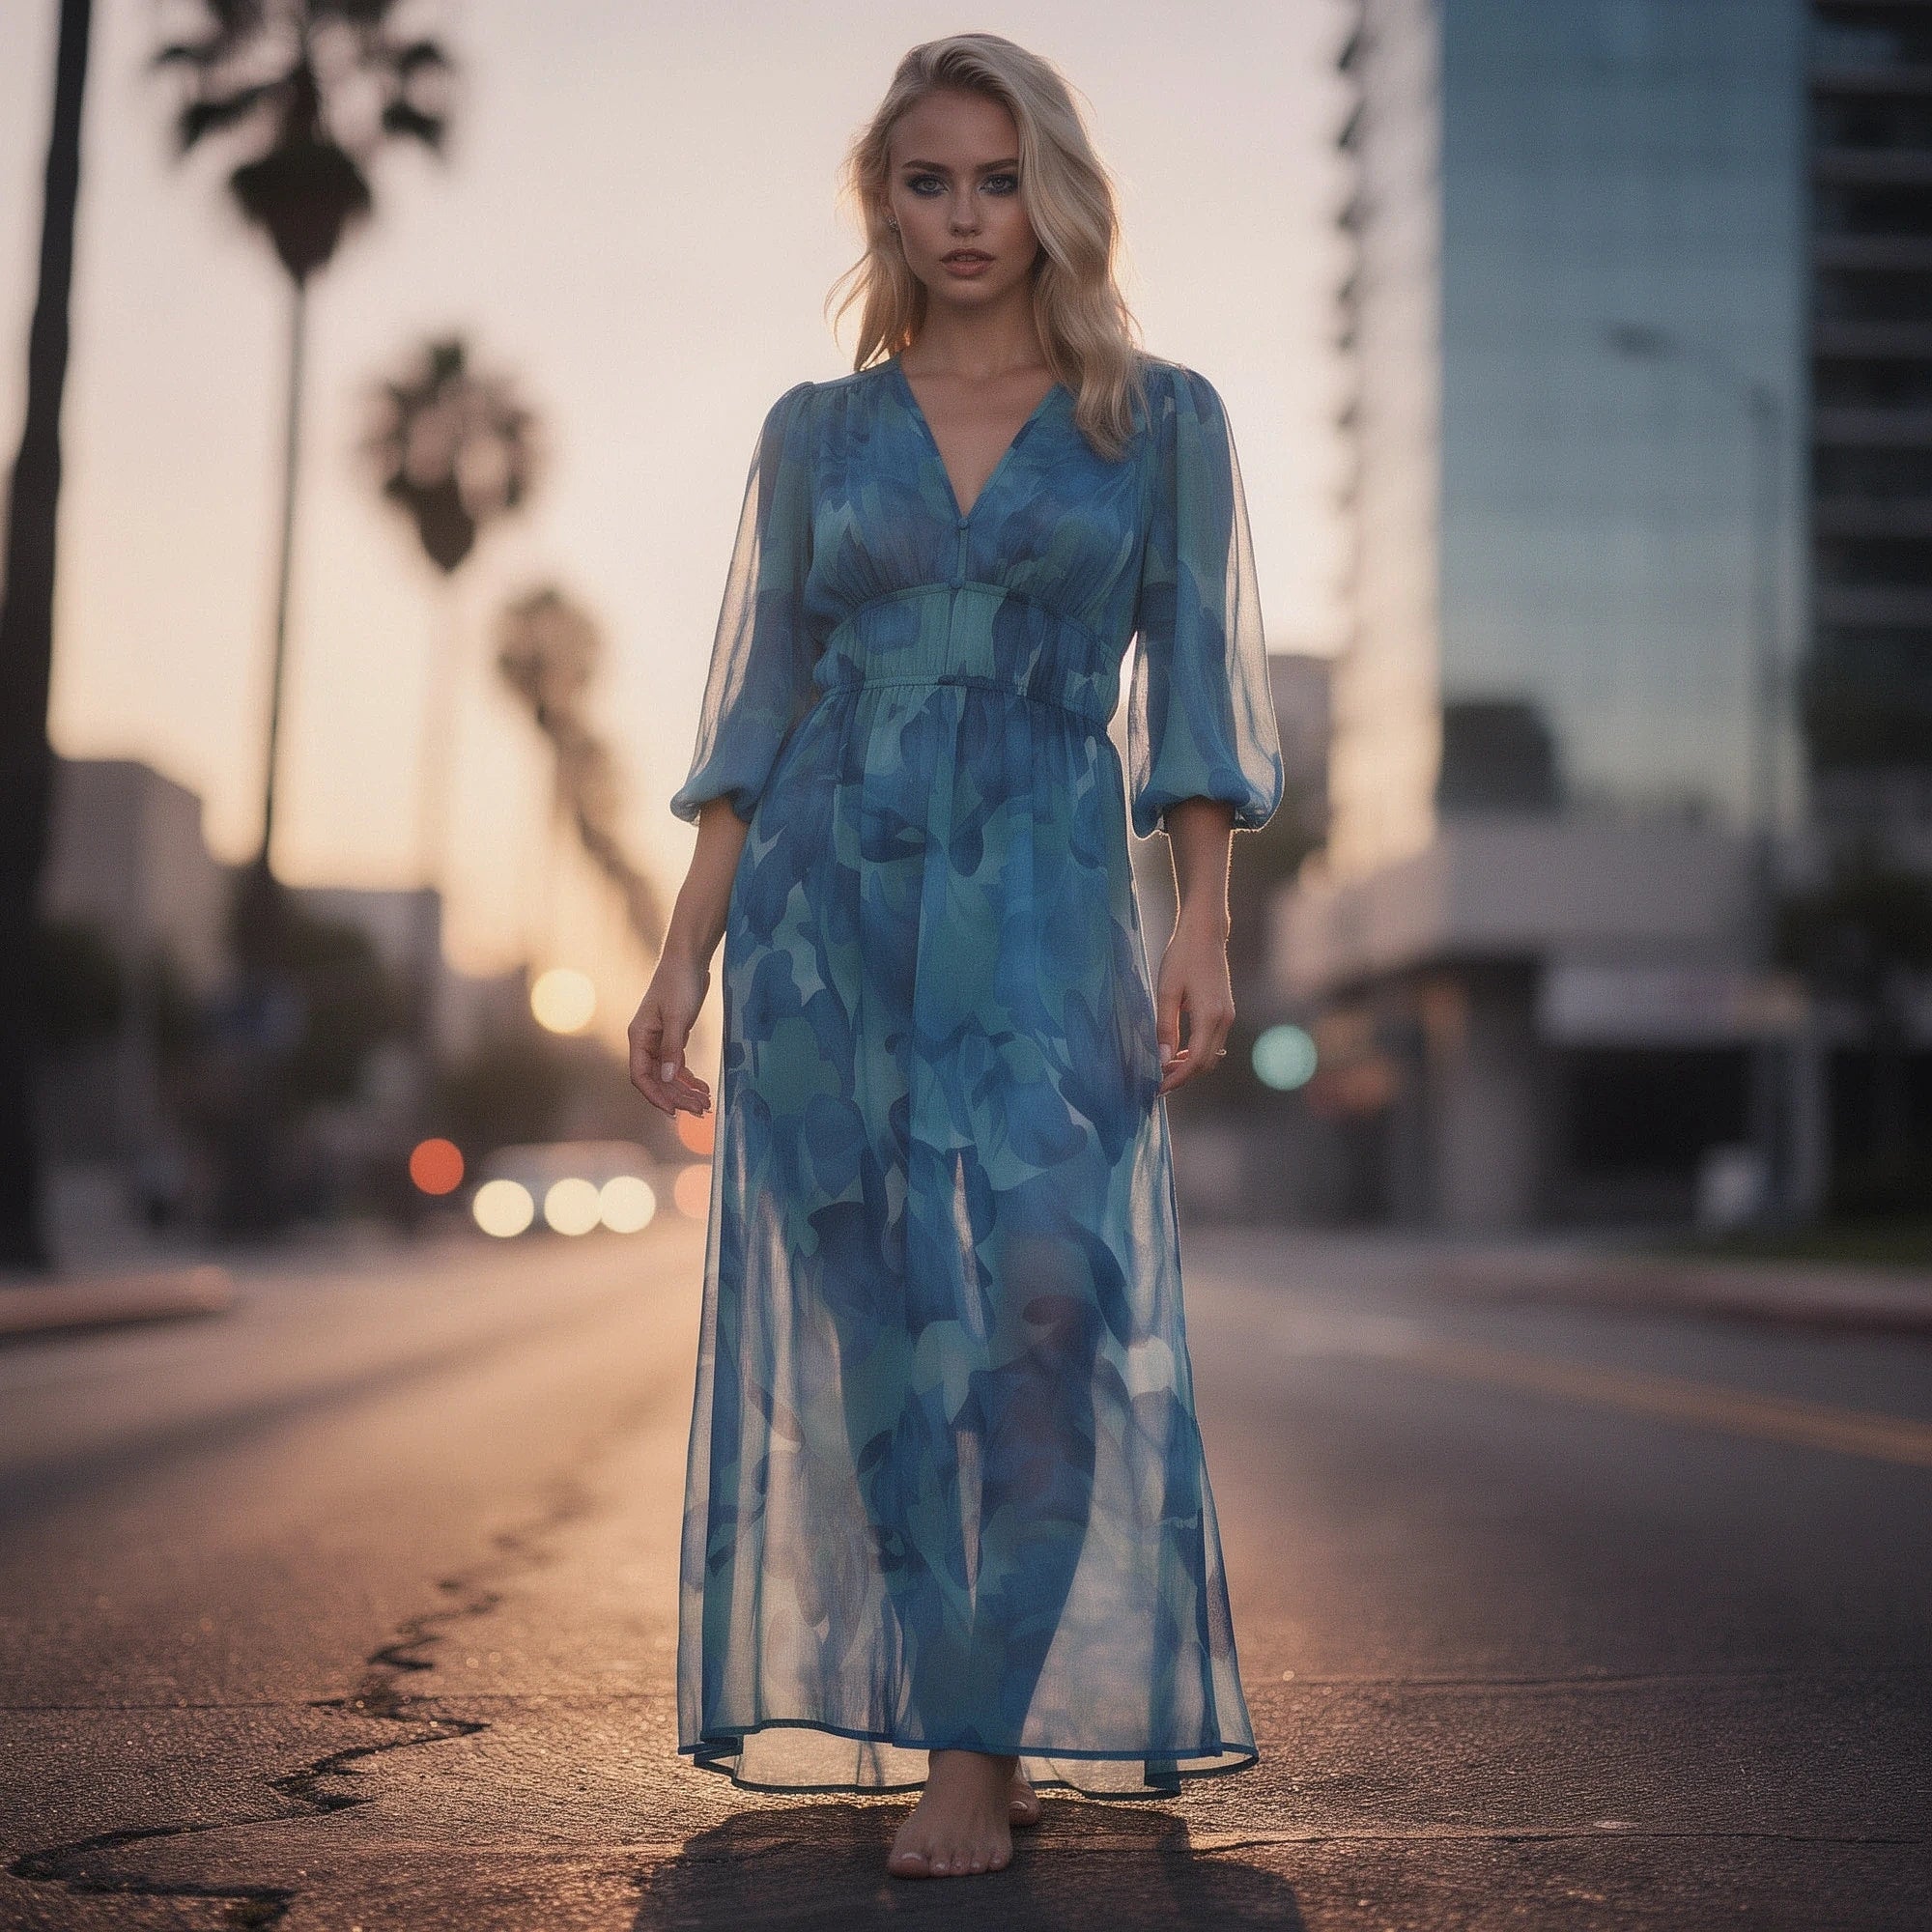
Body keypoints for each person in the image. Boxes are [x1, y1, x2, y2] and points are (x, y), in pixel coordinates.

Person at [628, 31, 1283, 1883]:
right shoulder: (813, 433)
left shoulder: (1162, 421)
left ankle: (983, 1736)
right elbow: (757, 715)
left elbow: (1194, 719)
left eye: (1000, 180)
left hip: (1055, 909)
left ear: (1056, 193)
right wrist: (686, 953)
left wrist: (1203, 926)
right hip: (830, 917)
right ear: (884, 202)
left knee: (1055, 1311)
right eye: (930, 182)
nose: (966, 217)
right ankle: (959, 1737)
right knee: (884, 1352)